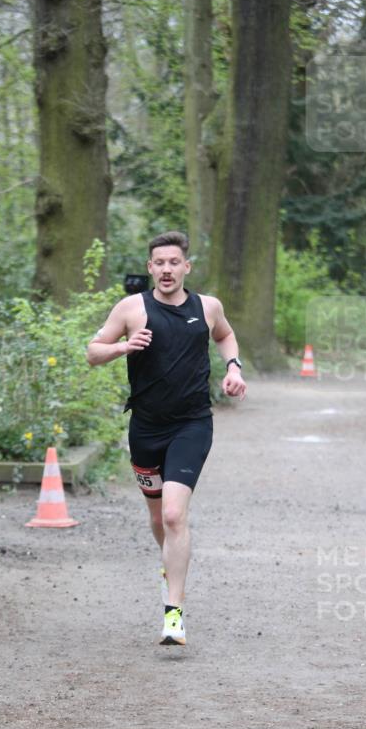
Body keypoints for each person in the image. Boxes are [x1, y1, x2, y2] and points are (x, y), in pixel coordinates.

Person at [86, 231, 247, 645]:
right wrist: (123, 348)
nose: (166, 269)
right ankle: (169, 565)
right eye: (159, 263)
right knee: (158, 518)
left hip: (192, 424)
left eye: (174, 262)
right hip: (145, 428)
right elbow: (92, 352)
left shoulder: (207, 307)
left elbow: (225, 335)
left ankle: (173, 613)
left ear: (186, 267)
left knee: (175, 516)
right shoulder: (131, 308)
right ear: (150, 268)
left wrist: (234, 368)